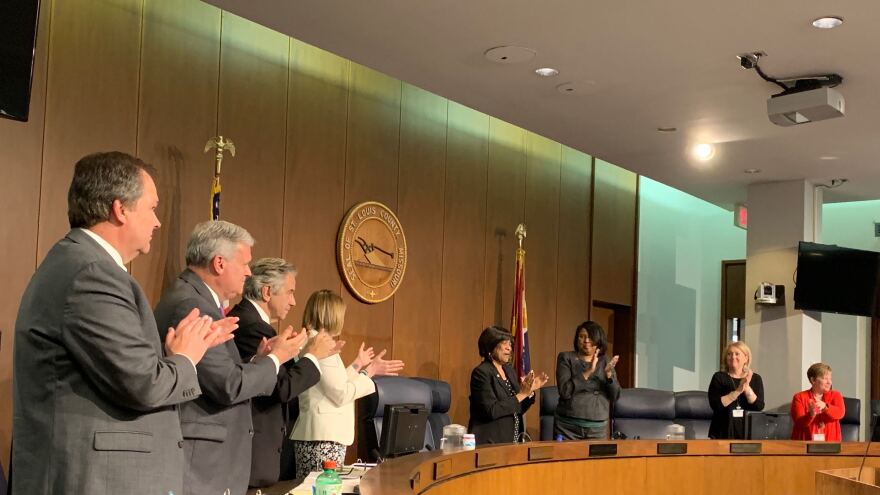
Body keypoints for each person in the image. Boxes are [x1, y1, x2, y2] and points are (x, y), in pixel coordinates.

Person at [11, 152, 236, 494]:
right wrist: (185, 358)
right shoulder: (92, 273)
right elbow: (142, 384)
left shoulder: (81, 263)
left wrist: (182, 349)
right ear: (121, 209)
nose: (158, 222)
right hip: (93, 480)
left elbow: (117, 368)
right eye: (151, 208)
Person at [153, 221, 337, 495]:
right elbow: (228, 385)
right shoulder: (193, 304)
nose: (249, 272)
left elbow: (217, 373)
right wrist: (275, 359)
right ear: (219, 263)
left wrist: (258, 361)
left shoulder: (199, 300)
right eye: (244, 264)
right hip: (201, 464)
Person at [290, 289, 405, 479]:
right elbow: (341, 394)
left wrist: (358, 365)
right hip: (322, 439)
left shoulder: (313, 341)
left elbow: (334, 383)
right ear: (332, 315)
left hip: (320, 436)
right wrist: (370, 372)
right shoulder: (321, 343)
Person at [230, 257, 322, 488]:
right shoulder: (252, 327)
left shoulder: (253, 322)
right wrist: (313, 356)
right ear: (268, 292)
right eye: (290, 292)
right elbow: (283, 387)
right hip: (251, 453)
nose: (293, 301)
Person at [468, 326, 549, 445]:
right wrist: (522, 394)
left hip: (512, 441)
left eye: (510, 344)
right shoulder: (481, 373)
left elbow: (518, 407)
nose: (509, 348)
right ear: (491, 345)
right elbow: (492, 410)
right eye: (504, 343)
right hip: (490, 443)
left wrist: (530, 391)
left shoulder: (509, 371)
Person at [554, 321, 620, 440]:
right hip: (568, 427)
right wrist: (587, 372)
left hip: (597, 428)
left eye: (591, 337)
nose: (586, 341)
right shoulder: (566, 358)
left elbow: (615, 396)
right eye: (582, 337)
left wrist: (609, 375)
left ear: (598, 340)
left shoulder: (605, 361)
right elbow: (565, 391)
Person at [708, 341, 765, 439]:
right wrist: (738, 391)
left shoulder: (756, 378)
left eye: (737, 354)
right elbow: (715, 405)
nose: (733, 357)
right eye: (729, 354)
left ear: (746, 358)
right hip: (722, 432)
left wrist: (746, 387)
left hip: (748, 434)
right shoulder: (719, 377)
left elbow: (759, 406)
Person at [790, 362, 845, 441]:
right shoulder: (799, 397)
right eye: (825, 379)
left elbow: (840, 413)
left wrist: (825, 407)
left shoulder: (836, 395)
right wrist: (811, 414)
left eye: (830, 379)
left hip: (831, 445)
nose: (829, 382)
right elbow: (799, 423)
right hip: (804, 445)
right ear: (813, 380)